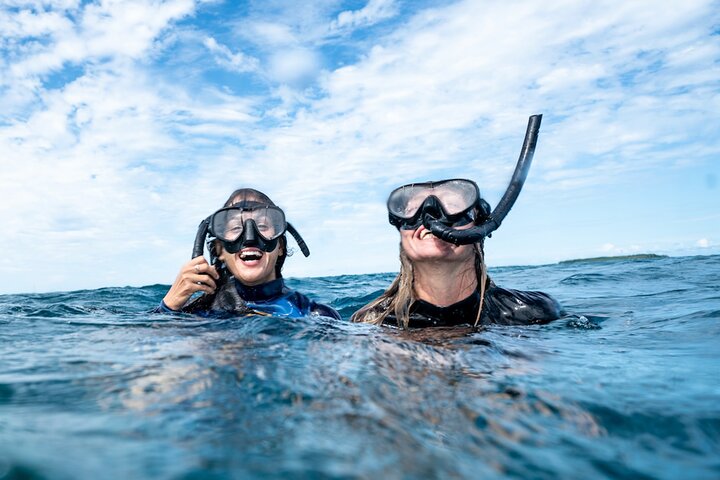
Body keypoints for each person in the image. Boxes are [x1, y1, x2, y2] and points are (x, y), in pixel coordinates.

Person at [351, 179, 562, 328]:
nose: (430, 216)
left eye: (452, 206)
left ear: (480, 228)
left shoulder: (531, 312)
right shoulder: (371, 321)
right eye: (413, 209)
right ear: (403, 235)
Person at [158, 188, 341, 320]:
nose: (249, 239)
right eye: (236, 228)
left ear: (280, 247)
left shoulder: (314, 315)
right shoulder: (194, 314)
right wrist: (168, 306)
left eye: (262, 226)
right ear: (220, 249)